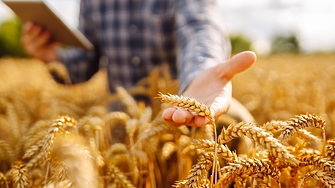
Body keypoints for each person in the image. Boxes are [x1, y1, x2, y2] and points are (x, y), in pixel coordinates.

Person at [21, 0, 256, 127]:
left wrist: (201, 72)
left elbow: (199, 29)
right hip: (122, 121)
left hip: (187, 108)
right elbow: (85, 63)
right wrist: (51, 57)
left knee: (237, 124)